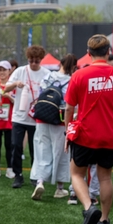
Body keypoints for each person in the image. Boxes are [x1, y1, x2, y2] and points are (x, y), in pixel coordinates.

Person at [64, 34, 113, 224]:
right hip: (110, 135)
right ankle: (104, 220)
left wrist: (68, 131)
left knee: (76, 174)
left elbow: (69, 108)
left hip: (85, 135)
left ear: (88, 53)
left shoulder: (79, 75)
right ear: (108, 52)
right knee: (105, 178)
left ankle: (88, 208)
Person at [30, 54, 77, 201]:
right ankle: (59, 188)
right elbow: (71, 105)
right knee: (61, 153)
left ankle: (40, 182)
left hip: (42, 118)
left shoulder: (48, 77)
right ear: (74, 67)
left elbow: (39, 95)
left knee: (41, 151)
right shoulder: (72, 81)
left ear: (60, 63)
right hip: (60, 120)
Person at [4, 45, 50, 188]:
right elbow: (5, 88)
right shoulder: (20, 71)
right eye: (31, 60)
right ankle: (18, 175)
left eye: (37, 61)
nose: (33, 63)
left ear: (41, 59)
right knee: (16, 146)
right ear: (27, 59)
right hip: (19, 116)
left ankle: (35, 176)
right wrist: (15, 84)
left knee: (35, 149)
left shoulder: (47, 74)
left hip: (37, 117)